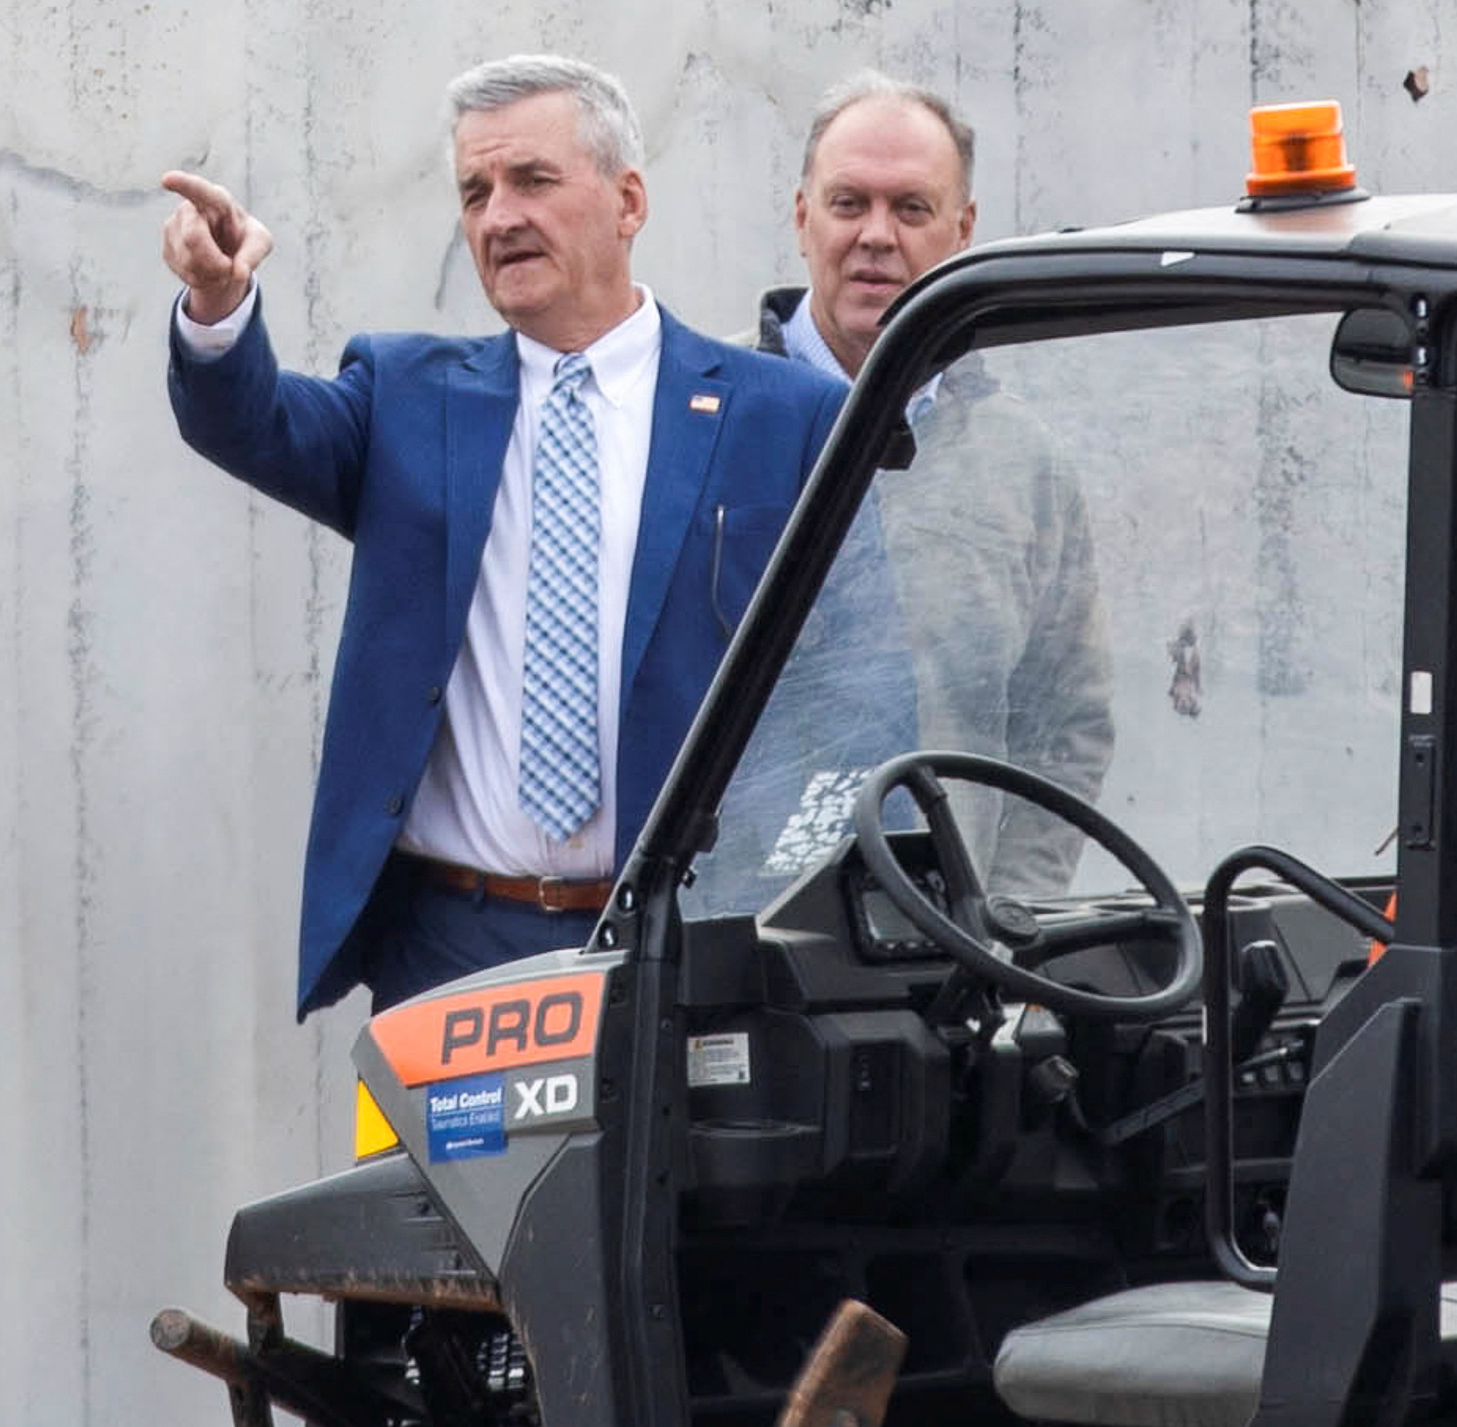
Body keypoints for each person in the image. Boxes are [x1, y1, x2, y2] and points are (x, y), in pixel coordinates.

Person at [162, 53, 843, 1015]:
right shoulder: (407, 397)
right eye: (475, 191)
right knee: (427, 1179)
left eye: (533, 180)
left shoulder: (787, 417)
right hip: (450, 953)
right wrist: (220, 307)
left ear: (628, 201)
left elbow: (860, 685)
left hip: (694, 951)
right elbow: (253, 421)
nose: (498, 216)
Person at [752, 74, 1112, 883]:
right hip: (728, 951)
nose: (877, 235)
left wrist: (1012, 909)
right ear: (801, 215)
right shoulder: (703, 421)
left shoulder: (1023, 466)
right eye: (849, 204)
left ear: (963, 229)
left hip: (945, 946)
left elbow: (1064, 725)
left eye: (911, 208)